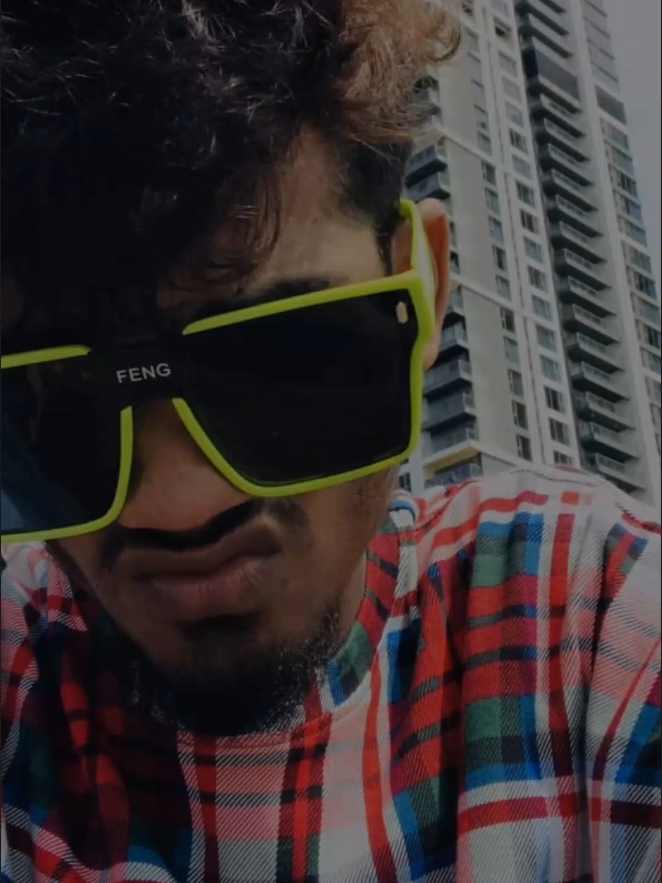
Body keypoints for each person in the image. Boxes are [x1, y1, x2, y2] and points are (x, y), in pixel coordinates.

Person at [1, 1, 660, 881]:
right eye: (56, 404)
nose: (178, 504)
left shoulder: (593, 624)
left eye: (280, 357)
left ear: (424, 279)